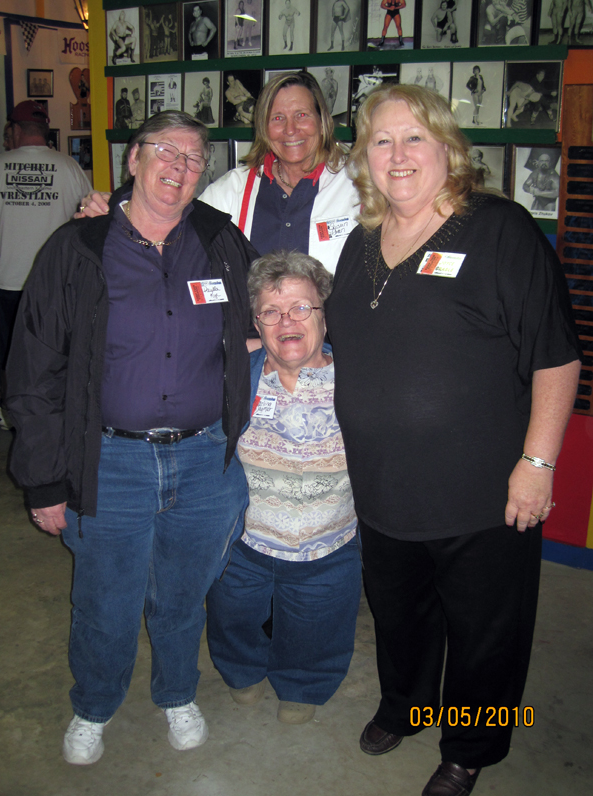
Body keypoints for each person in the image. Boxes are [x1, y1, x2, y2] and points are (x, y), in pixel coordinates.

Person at [326, 84, 581, 796]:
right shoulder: (359, 242)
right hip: (382, 487)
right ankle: (405, 706)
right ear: (363, 158)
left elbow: (556, 356)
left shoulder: (500, 230)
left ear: (447, 147)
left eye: (415, 138)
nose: (398, 155)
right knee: (400, 612)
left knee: (485, 629)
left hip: (482, 492)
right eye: (382, 140)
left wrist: (537, 464)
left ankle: (471, 746)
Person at [5, 111, 256, 766]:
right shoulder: (79, 247)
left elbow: (275, 303)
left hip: (204, 458)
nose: (178, 167)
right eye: (165, 152)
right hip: (108, 458)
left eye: (194, 158)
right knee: (104, 600)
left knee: (181, 593)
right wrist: (44, 478)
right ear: (135, 160)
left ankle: (177, 692)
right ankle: (94, 704)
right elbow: (33, 372)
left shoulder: (221, 240)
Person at [206, 250, 361, 725]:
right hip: (247, 540)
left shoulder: (358, 378)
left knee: (319, 621)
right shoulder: (236, 378)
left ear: (325, 314)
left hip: (330, 540)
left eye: (301, 308)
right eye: (270, 312)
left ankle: (304, 682)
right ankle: (242, 669)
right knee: (232, 613)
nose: (286, 321)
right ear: (256, 322)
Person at [78, 72, 359, 274]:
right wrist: (116, 205)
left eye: (302, 115)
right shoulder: (234, 189)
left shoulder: (358, 183)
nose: (290, 129)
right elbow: (172, 210)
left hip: (333, 347)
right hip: (253, 350)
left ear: (322, 121)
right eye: (277, 118)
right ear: (263, 128)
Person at [0, 101, 91, 402]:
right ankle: (43, 407)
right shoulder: (69, 167)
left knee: (7, 353)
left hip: (8, 278)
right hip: (53, 281)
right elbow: (90, 220)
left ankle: (6, 405)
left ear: (16, 130)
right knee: (48, 353)